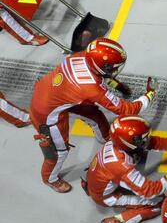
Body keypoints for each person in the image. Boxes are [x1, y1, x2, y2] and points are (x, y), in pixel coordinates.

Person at [29, 37, 157, 193]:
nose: (115, 71)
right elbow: (127, 110)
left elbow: (102, 75)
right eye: (113, 68)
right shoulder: (91, 88)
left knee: (95, 116)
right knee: (58, 152)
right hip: (47, 115)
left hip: (53, 94)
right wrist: (149, 94)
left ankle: (105, 137)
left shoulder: (83, 56)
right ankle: (50, 178)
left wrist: (118, 85)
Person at [85, 115, 167, 223]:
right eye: (142, 138)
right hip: (106, 196)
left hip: (99, 179)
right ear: (127, 141)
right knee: (159, 202)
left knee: (140, 151)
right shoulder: (120, 166)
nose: (147, 139)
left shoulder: (117, 142)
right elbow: (150, 190)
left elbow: (154, 142)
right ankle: (117, 220)